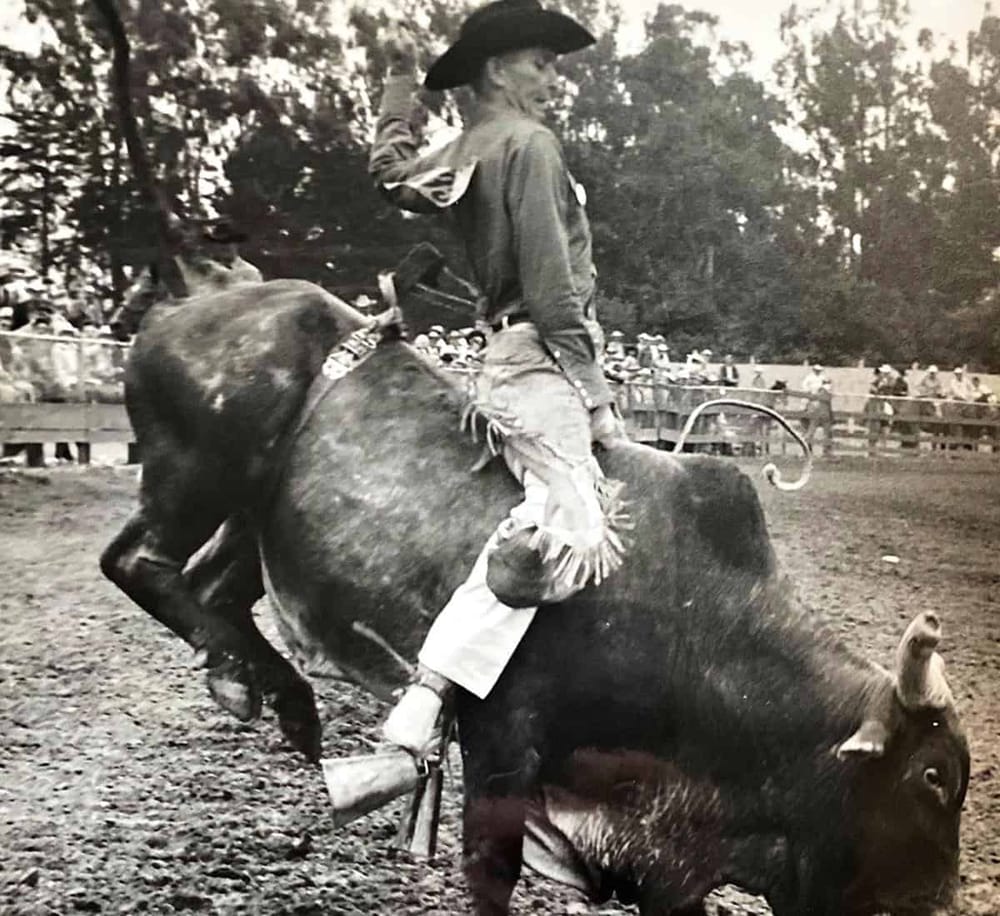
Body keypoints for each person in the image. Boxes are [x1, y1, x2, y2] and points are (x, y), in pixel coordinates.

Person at [368, 0, 627, 759]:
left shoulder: (463, 148)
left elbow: (387, 173)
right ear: (495, 68)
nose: (552, 79)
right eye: (540, 63)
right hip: (539, 361)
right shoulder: (531, 146)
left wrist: (397, 84)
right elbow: (552, 296)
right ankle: (430, 692)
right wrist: (599, 398)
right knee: (574, 523)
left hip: (504, 361)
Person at [801, 364, 834, 456]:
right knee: (812, 430)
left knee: (822, 431)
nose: (817, 371)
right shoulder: (809, 378)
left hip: (820, 409)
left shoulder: (822, 380)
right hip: (814, 404)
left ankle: (826, 450)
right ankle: (807, 448)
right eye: (816, 370)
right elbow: (805, 388)